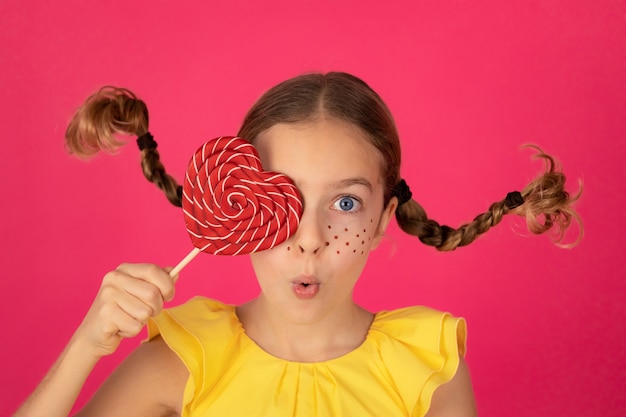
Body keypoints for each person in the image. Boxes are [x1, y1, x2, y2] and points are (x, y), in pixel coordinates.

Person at [14, 72, 581, 417]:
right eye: (283, 198)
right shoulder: (186, 358)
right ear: (238, 203)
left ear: (385, 219)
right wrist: (84, 348)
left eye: (346, 203)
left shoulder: (427, 365)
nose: (308, 239)